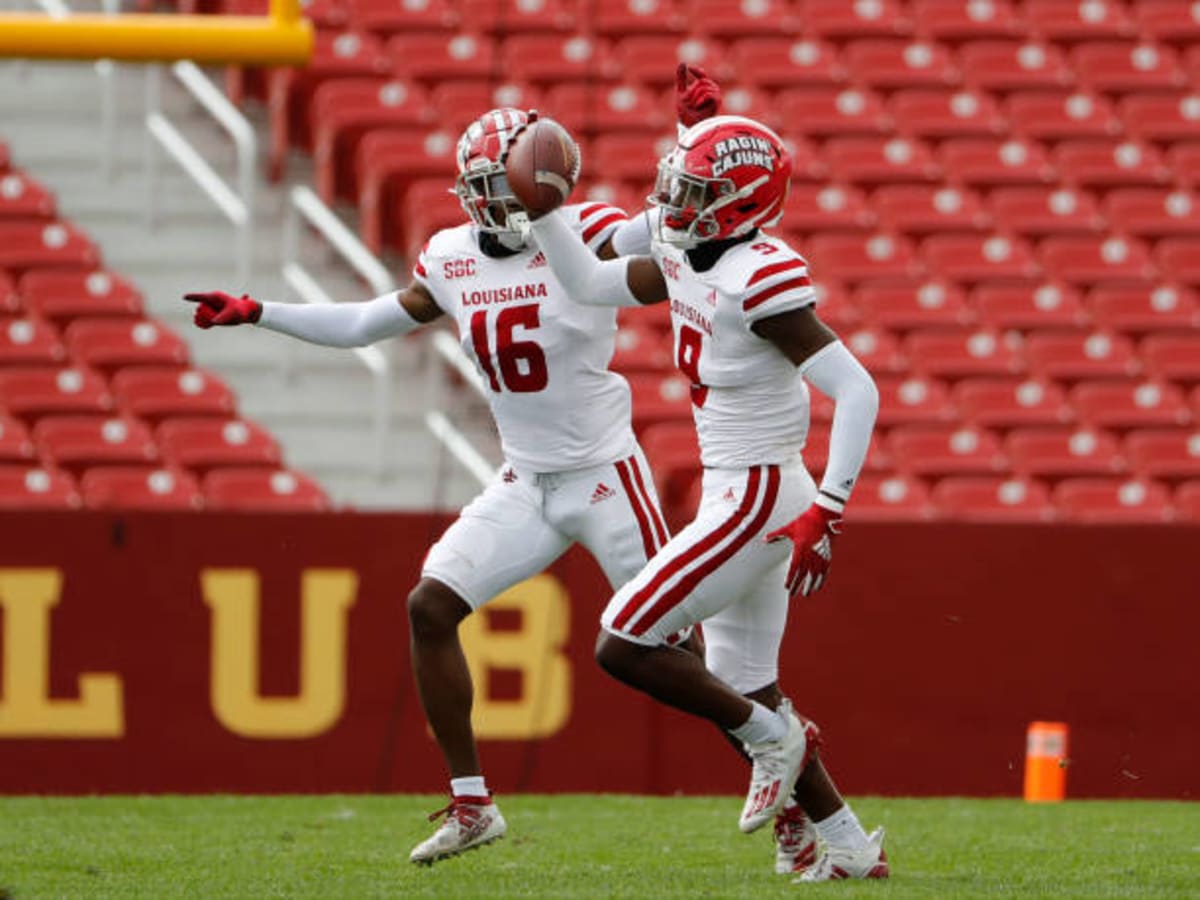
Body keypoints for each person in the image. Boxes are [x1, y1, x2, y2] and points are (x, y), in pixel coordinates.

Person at [182, 106, 680, 866]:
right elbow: (366, 324)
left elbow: (665, 222)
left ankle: (805, 795)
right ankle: (473, 803)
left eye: (513, 186)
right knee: (430, 605)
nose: (503, 202)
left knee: (679, 654)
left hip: (606, 476)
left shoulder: (584, 231)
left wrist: (692, 140)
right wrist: (259, 312)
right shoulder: (451, 256)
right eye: (491, 187)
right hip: (526, 480)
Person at [514, 113, 890, 882]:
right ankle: (848, 846)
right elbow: (587, 279)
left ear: (742, 205)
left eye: (698, 191)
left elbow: (857, 390)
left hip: (758, 491)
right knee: (743, 683)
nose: (676, 202)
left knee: (625, 640)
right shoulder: (687, 250)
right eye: (678, 185)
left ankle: (778, 740)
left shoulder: (762, 278)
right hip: (742, 488)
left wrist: (833, 506)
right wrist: (546, 214)